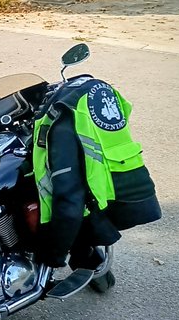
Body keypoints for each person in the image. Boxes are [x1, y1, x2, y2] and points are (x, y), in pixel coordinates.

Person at [31, 76, 161, 294]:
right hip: (126, 189)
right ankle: (93, 266)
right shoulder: (96, 93)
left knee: (69, 203)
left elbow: (68, 198)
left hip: (91, 205)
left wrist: (53, 256)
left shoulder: (60, 121)